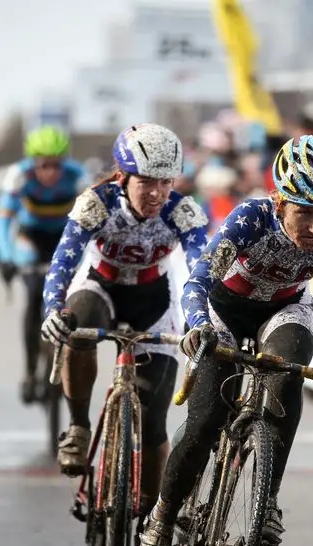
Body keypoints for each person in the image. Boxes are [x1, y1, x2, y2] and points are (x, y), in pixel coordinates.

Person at [134, 135, 313, 546]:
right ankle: (162, 517)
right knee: (204, 421)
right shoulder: (249, 218)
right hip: (223, 311)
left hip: (283, 310)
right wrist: (198, 325)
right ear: (279, 201)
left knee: (289, 366)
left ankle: (267, 500)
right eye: (304, 212)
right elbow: (198, 282)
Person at [39, 124, 209, 510]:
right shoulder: (96, 203)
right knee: (77, 318)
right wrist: (52, 308)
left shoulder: (183, 212)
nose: (156, 194)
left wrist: (200, 320)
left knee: (153, 424)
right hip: (102, 287)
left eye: (165, 182)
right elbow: (63, 262)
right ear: (122, 178)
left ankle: (151, 513)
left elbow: (201, 271)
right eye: (146, 182)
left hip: (154, 300)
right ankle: (79, 426)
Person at [0, 126, 88, 404]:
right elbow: (2, 221)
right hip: (31, 238)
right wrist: (6, 257)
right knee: (35, 295)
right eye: (43, 165)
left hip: (62, 238)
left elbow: (93, 223)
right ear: (33, 163)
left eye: (55, 165)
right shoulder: (19, 176)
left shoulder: (78, 176)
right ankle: (30, 370)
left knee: (73, 294)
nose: (50, 172)